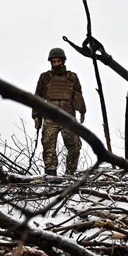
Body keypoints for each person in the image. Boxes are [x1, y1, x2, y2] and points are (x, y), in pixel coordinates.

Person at [32, 47, 86, 176]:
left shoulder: (72, 77)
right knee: (48, 147)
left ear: (63, 61)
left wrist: (82, 111)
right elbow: (37, 97)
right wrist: (36, 115)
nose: (56, 64)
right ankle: (51, 175)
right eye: (54, 61)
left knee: (75, 147)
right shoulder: (45, 77)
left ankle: (70, 174)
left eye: (58, 61)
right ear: (51, 62)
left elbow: (78, 95)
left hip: (68, 117)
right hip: (50, 118)